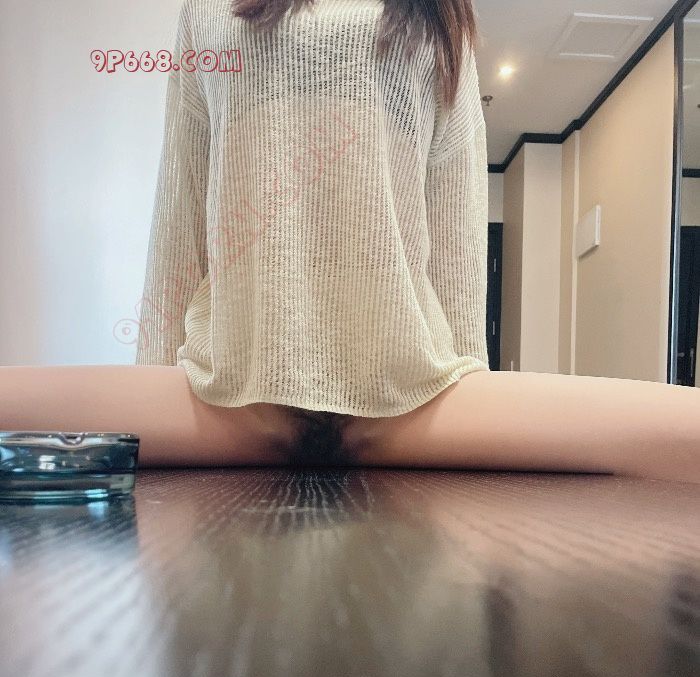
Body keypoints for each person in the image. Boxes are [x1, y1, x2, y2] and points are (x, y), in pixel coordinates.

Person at [1, 0, 698, 483]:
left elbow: (456, 226)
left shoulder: (441, 15)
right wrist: (147, 407)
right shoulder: (209, 9)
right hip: (234, 390)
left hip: (408, 395)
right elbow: (180, 205)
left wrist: (472, 401)